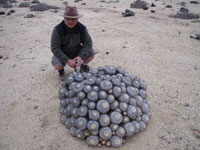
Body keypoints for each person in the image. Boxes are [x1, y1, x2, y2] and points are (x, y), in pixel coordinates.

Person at [51, 6, 95, 80]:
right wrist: (67, 60)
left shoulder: (82, 28)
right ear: (64, 18)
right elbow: (55, 48)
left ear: (77, 19)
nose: (70, 21)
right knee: (57, 65)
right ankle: (61, 70)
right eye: (68, 19)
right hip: (63, 52)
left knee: (91, 52)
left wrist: (81, 57)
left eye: (73, 19)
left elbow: (88, 43)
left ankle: (83, 65)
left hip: (77, 50)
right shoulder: (57, 29)